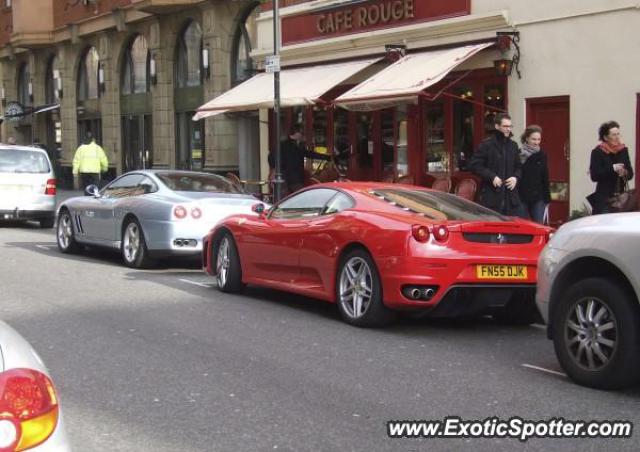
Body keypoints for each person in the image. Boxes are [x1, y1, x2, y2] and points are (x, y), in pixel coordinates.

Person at [469, 113, 522, 215]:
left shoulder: (513, 146)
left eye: (510, 126)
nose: (508, 129)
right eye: (505, 126)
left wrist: (515, 178)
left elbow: (519, 167)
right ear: (497, 126)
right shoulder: (487, 145)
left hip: (510, 198)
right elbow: (474, 165)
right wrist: (492, 176)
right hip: (491, 196)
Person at [588, 121, 634, 214]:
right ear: (605, 137)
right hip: (604, 198)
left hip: (621, 197)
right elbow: (594, 176)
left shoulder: (623, 150)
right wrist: (613, 169)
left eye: (618, 134)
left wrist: (625, 172)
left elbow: (630, 174)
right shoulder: (598, 152)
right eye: (613, 135)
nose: (617, 137)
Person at [273, 125, 330, 196]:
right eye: (301, 133)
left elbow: (308, 154)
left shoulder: (286, 144)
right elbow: (308, 154)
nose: (302, 135)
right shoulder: (293, 145)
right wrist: (327, 157)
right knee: (301, 197)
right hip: (293, 178)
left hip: (286, 177)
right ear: (296, 133)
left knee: (288, 198)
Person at [518, 125, 551, 223]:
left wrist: (547, 199)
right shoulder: (518, 154)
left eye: (539, 139)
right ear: (527, 138)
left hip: (538, 197)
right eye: (533, 139)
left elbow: (545, 176)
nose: (536, 142)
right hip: (521, 196)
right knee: (522, 226)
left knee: (538, 226)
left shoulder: (542, 155)